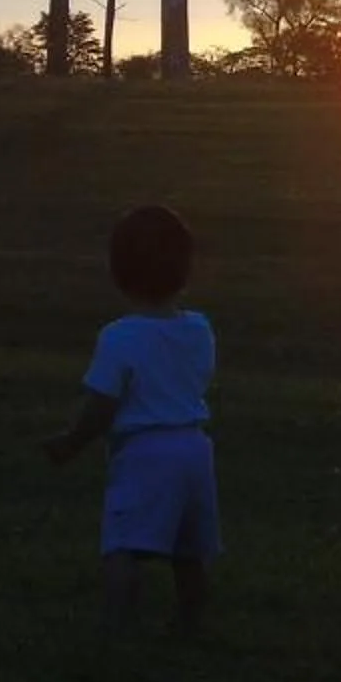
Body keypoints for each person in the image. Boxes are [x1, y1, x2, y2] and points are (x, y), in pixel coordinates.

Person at [44, 204, 218, 636]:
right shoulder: (199, 329)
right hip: (195, 447)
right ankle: (190, 622)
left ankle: (116, 627)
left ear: (118, 272)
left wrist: (72, 441)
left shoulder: (119, 337)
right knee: (188, 551)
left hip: (145, 452)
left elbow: (102, 404)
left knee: (122, 547)